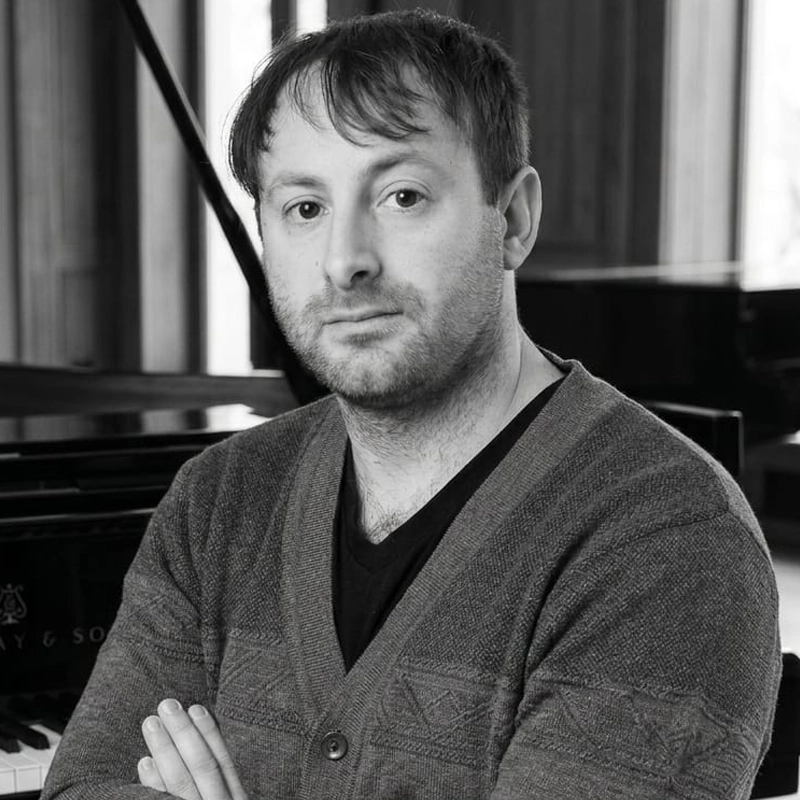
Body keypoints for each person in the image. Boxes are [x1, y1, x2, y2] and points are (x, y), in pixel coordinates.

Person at [42, 9, 781, 800]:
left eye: (401, 195)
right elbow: (84, 786)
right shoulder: (218, 498)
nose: (345, 260)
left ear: (516, 220)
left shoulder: (668, 540)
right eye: (304, 208)